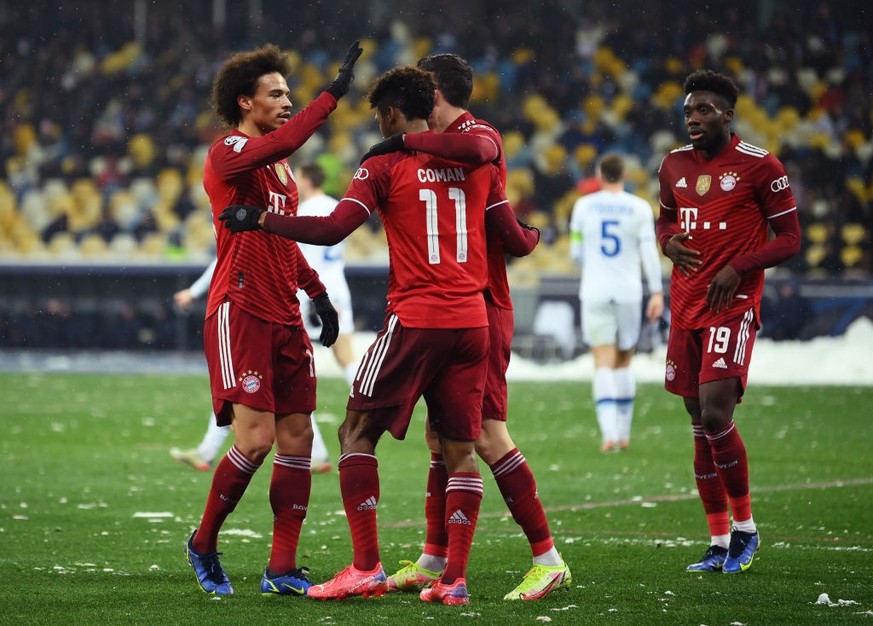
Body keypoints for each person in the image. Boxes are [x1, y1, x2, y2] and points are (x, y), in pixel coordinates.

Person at [220, 64, 540, 606]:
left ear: (390, 114)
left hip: (416, 318)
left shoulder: (386, 162)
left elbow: (332, 229)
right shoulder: (479, 158)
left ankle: (366, 566)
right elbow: (511, 227)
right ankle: (453, 580)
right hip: (472, 321)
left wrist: (263, 220)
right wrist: (532, 235)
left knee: (355, 432)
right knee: (459, 448)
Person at [359, 52, 571, 601]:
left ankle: (547, 557)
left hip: (483, 305)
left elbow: (504, 220)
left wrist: (526, 234)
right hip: (451, 309)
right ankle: (434, 558)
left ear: (432, 94)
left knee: (484, 434)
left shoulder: (474, 137)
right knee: (440, 436)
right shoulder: (443, 147)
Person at [184, 40, 362, 598]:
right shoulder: (228, 152)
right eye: (276, 93)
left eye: (290, 94)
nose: (287, 101)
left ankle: (280, 567)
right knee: (255, 440)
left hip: (284, 313)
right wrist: (331, 96)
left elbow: (284, 242)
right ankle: (203, 542)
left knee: (296, 438)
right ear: (244, 102)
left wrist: (320, 295)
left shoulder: (282, 173)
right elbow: (288, 137)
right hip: (241, 309)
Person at [656, 69, 801, 574]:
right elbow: (666, 218)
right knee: (699, 425)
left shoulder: (762, 167)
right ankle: (718, 542)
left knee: (717, 415)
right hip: (685, 305)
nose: (693, 119)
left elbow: (789, 238)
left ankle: (746, 531)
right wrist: (666, 241)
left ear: (727, 115)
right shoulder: (672, 164)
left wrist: (740, 266)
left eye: (703, 111)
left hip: (732, 306)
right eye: (688, 112)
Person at [169, 255, 336, 474]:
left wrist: (193, 292)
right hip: (288, 305)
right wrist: (321, 297)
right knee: (282, 392)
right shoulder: (291, 226)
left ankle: (208, 453)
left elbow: (227, 258)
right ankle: (316, 454)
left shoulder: (262, 227)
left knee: (242, 388)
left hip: (264, 312)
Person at [569, 153, 664, 453]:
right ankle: (623, 434)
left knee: (603, 361)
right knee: (624, 360)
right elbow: (649, 254)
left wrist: (595, 266)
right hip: (628, 291)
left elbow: (575, 253)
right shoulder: (639, 208)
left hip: (595, 290)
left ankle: (608, 434)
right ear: (624, 175)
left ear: (599, 175)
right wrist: (657, 291)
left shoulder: (583, 206)